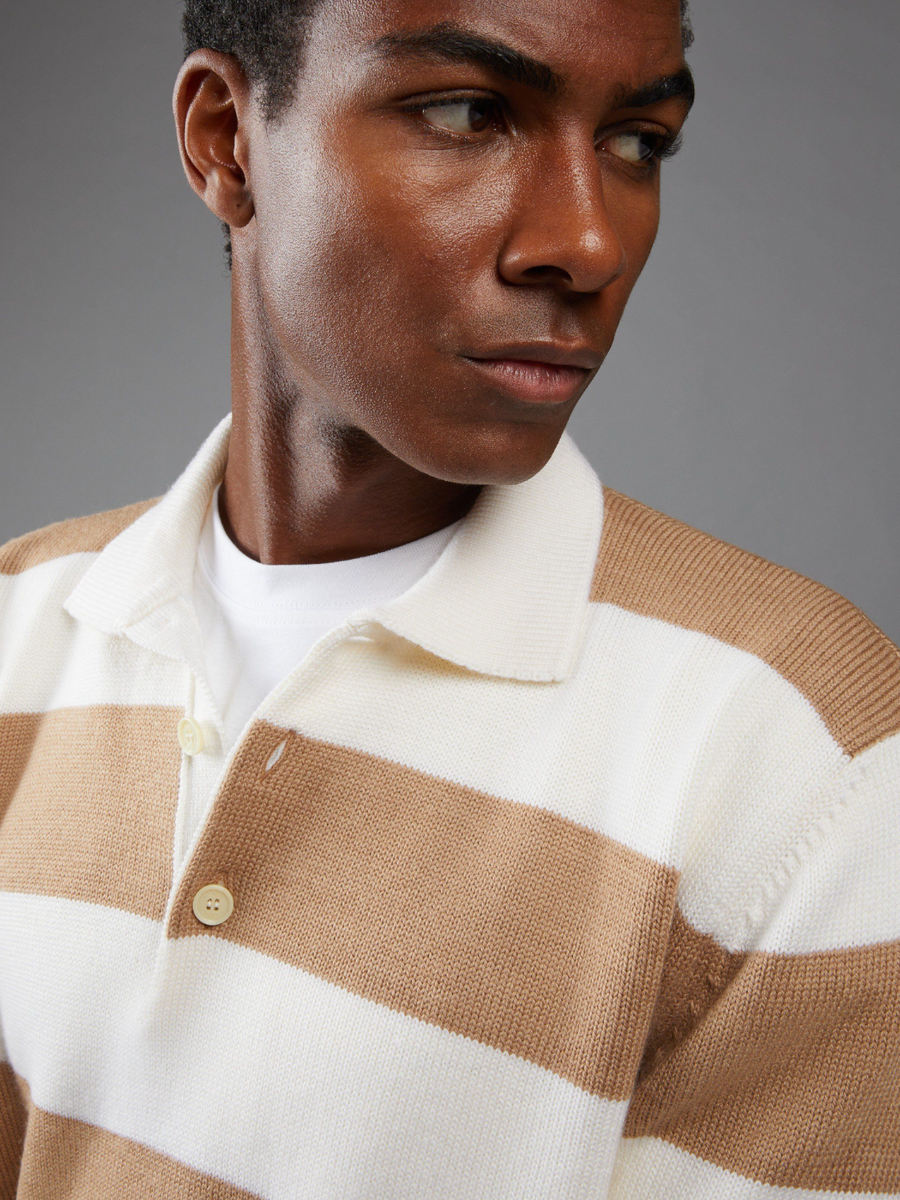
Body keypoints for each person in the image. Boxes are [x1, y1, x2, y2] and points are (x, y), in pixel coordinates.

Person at [0, 0, 896, 1195]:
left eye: (637, 140)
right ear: (226, 140)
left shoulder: (806, 755)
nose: (587, 243)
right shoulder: (19, 629)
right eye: (470, 115)